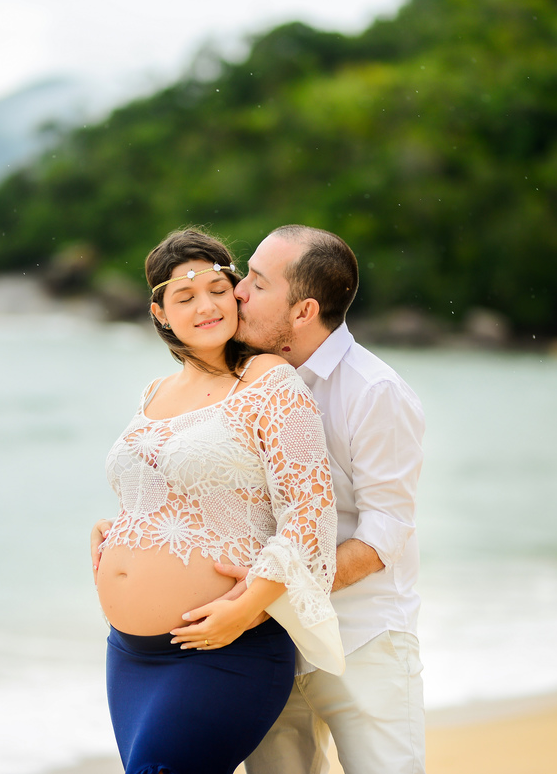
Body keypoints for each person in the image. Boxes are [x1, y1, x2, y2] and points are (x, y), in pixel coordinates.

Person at [94, 227, 344, 774]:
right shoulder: (154, 393)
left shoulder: (270, 382)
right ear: (160, 313)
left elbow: (309, 516)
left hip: (225, 647)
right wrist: (119, 530)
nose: (206, 305)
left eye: (217, 288)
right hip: (131, 656)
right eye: (184, 297)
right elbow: (176, 494)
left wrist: (248, 606)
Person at [227, 225, 426, 774]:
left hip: (363, 638)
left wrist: (281, 588)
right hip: (266, 643)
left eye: (258, 283)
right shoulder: (240, 381)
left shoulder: (374, 391)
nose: (238, 291)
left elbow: (386, 529)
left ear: (303, 310)